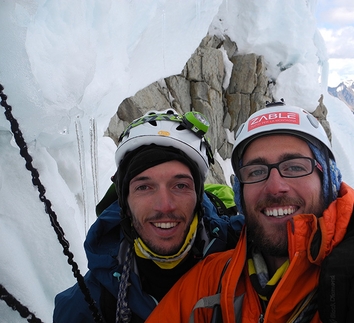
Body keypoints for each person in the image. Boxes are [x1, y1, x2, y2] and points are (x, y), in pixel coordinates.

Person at [145, 102, 354, 323]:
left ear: (327, 181)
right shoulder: (210, 282)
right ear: (239, 193)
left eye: (294, 167)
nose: (275, 186)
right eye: (256, 171)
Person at [53, 108, 244, 322]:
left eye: (180, 185)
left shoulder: (246, 250)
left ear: (198, 198)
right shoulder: (85, 307)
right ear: (124, 202)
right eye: (144, 187)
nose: (164, 205)